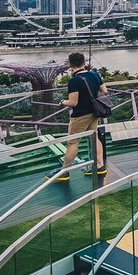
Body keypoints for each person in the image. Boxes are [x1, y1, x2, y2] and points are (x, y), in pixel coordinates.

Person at [47, 52, 108, 180]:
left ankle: (64, 171)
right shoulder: (94, 74)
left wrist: (62, 102)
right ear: (84, 62)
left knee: (73, 142)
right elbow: (104, 91)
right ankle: (100, 166)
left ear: (70, 64)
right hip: (94, 112)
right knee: (94, 136)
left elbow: (73, 102)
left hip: (80, 115)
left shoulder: (74, 81)